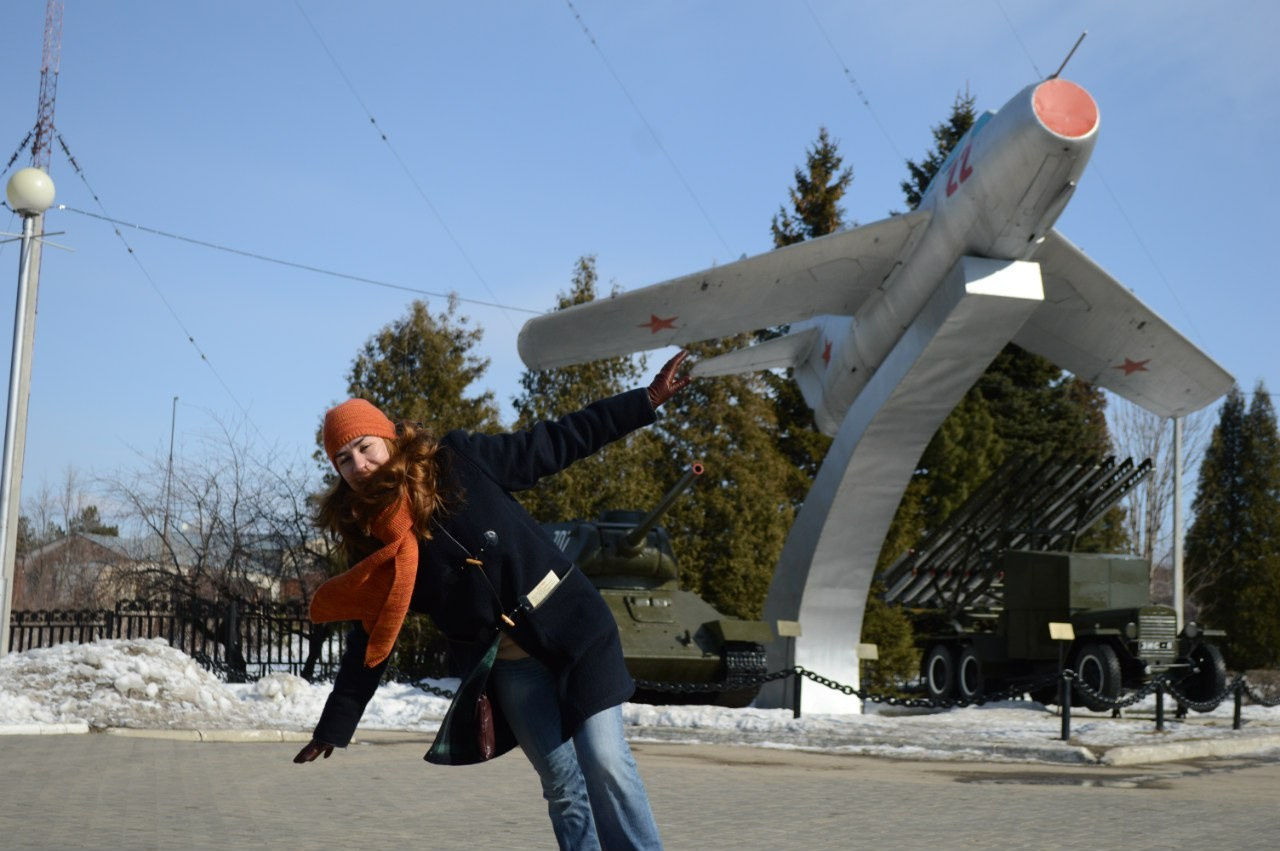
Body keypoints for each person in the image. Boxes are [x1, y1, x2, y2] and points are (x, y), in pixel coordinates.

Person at [293, 351, 692, 851]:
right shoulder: (371, 537)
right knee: (563, 787)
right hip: (509, 667)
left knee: (606, 762)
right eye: (343, 459)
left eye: (364, 447)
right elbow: (373, 632)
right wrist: (336, 723)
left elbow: (557, 441)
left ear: (389, 437)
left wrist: (644, 401)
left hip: (572, 630)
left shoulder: (459, 461)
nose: (358, 465)